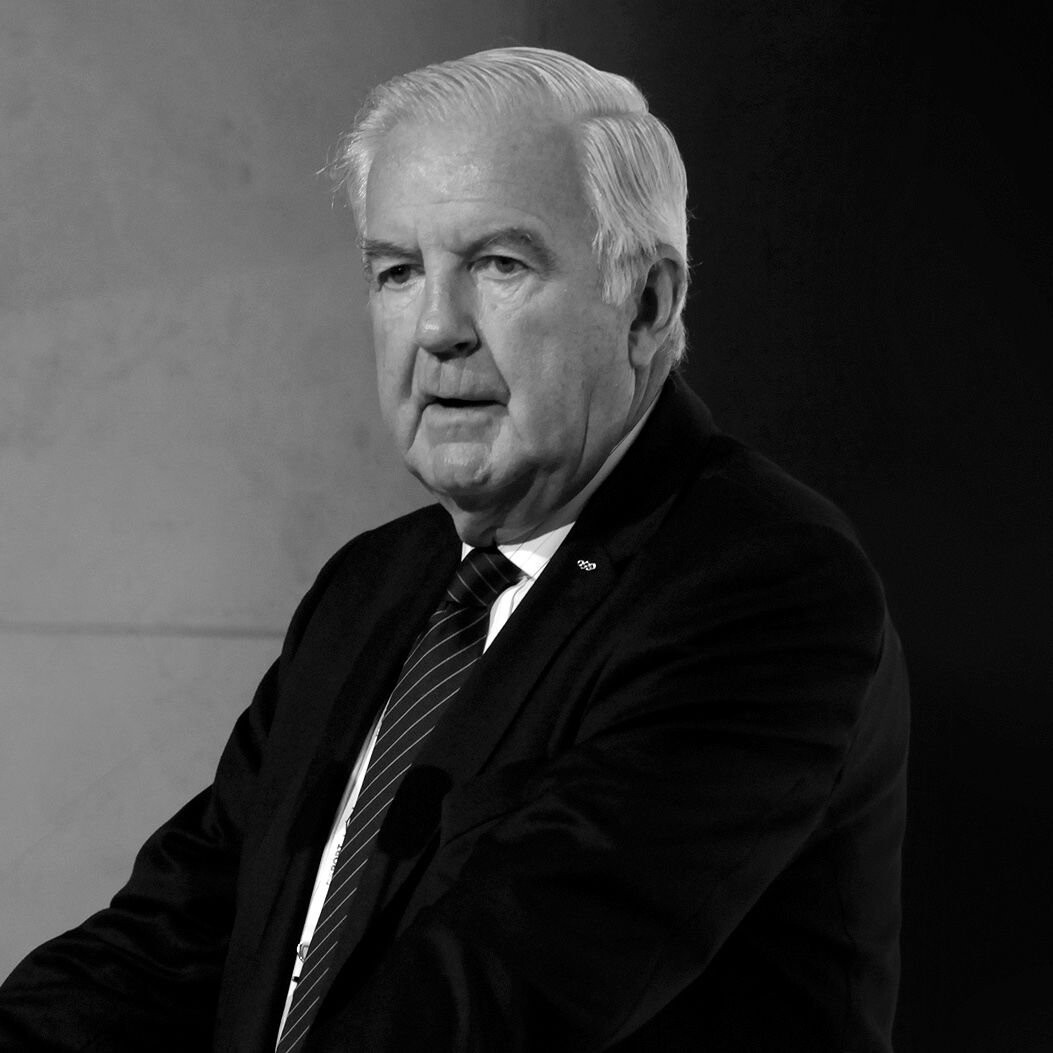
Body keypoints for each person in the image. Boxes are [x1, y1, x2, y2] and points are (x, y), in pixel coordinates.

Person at [0, 46, 909, 1052]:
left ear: (646, 304)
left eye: (499, 265)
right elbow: (170, 943)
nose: (437, 328)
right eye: (397, 272)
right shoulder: (375, 584)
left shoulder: (757, 584)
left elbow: (490, 997)